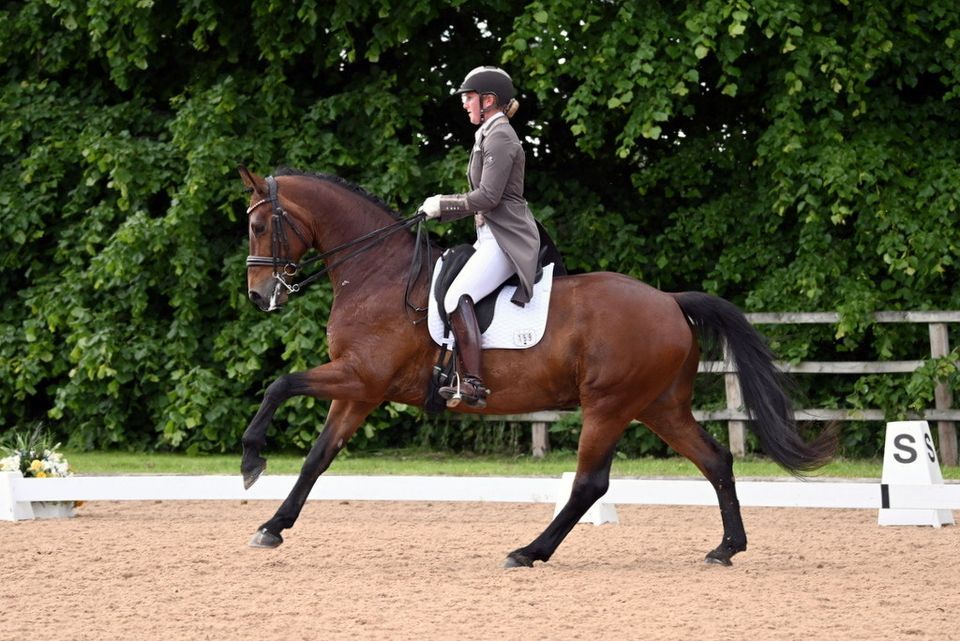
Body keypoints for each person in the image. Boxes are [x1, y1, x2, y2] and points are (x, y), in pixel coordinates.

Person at [419, 65, 541, 409]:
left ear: (489, 100)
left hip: (506, 238)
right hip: (490, 236)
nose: (464, 104)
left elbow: (488, 197)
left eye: (469, 98)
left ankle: (472, 382)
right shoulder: (488, 133)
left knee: (457, 295)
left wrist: (443, 204)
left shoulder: (501, 136)